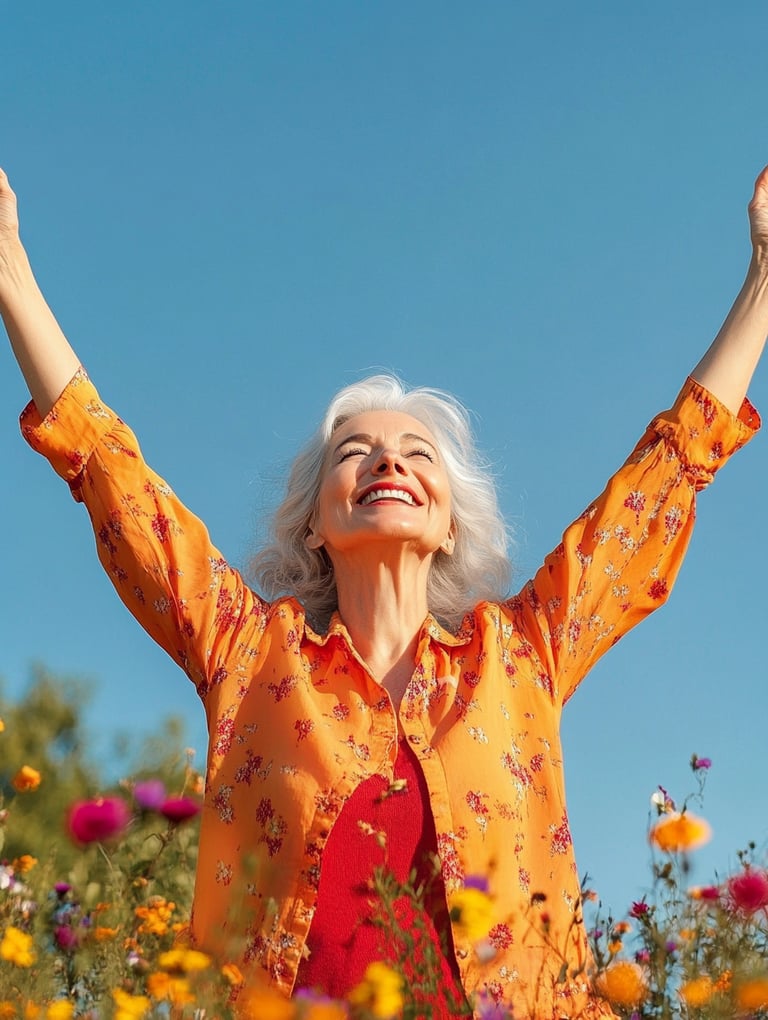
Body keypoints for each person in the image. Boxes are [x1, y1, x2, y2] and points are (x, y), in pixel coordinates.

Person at [1, 164, 766, 1020]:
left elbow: (662, 483)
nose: (389, 461)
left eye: (417, 452)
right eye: (354, 451)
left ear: (448, 522)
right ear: (315, 523)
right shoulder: (249, 656)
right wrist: (8, 268)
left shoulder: (522, 656)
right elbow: (111, 476)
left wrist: (764, 279)